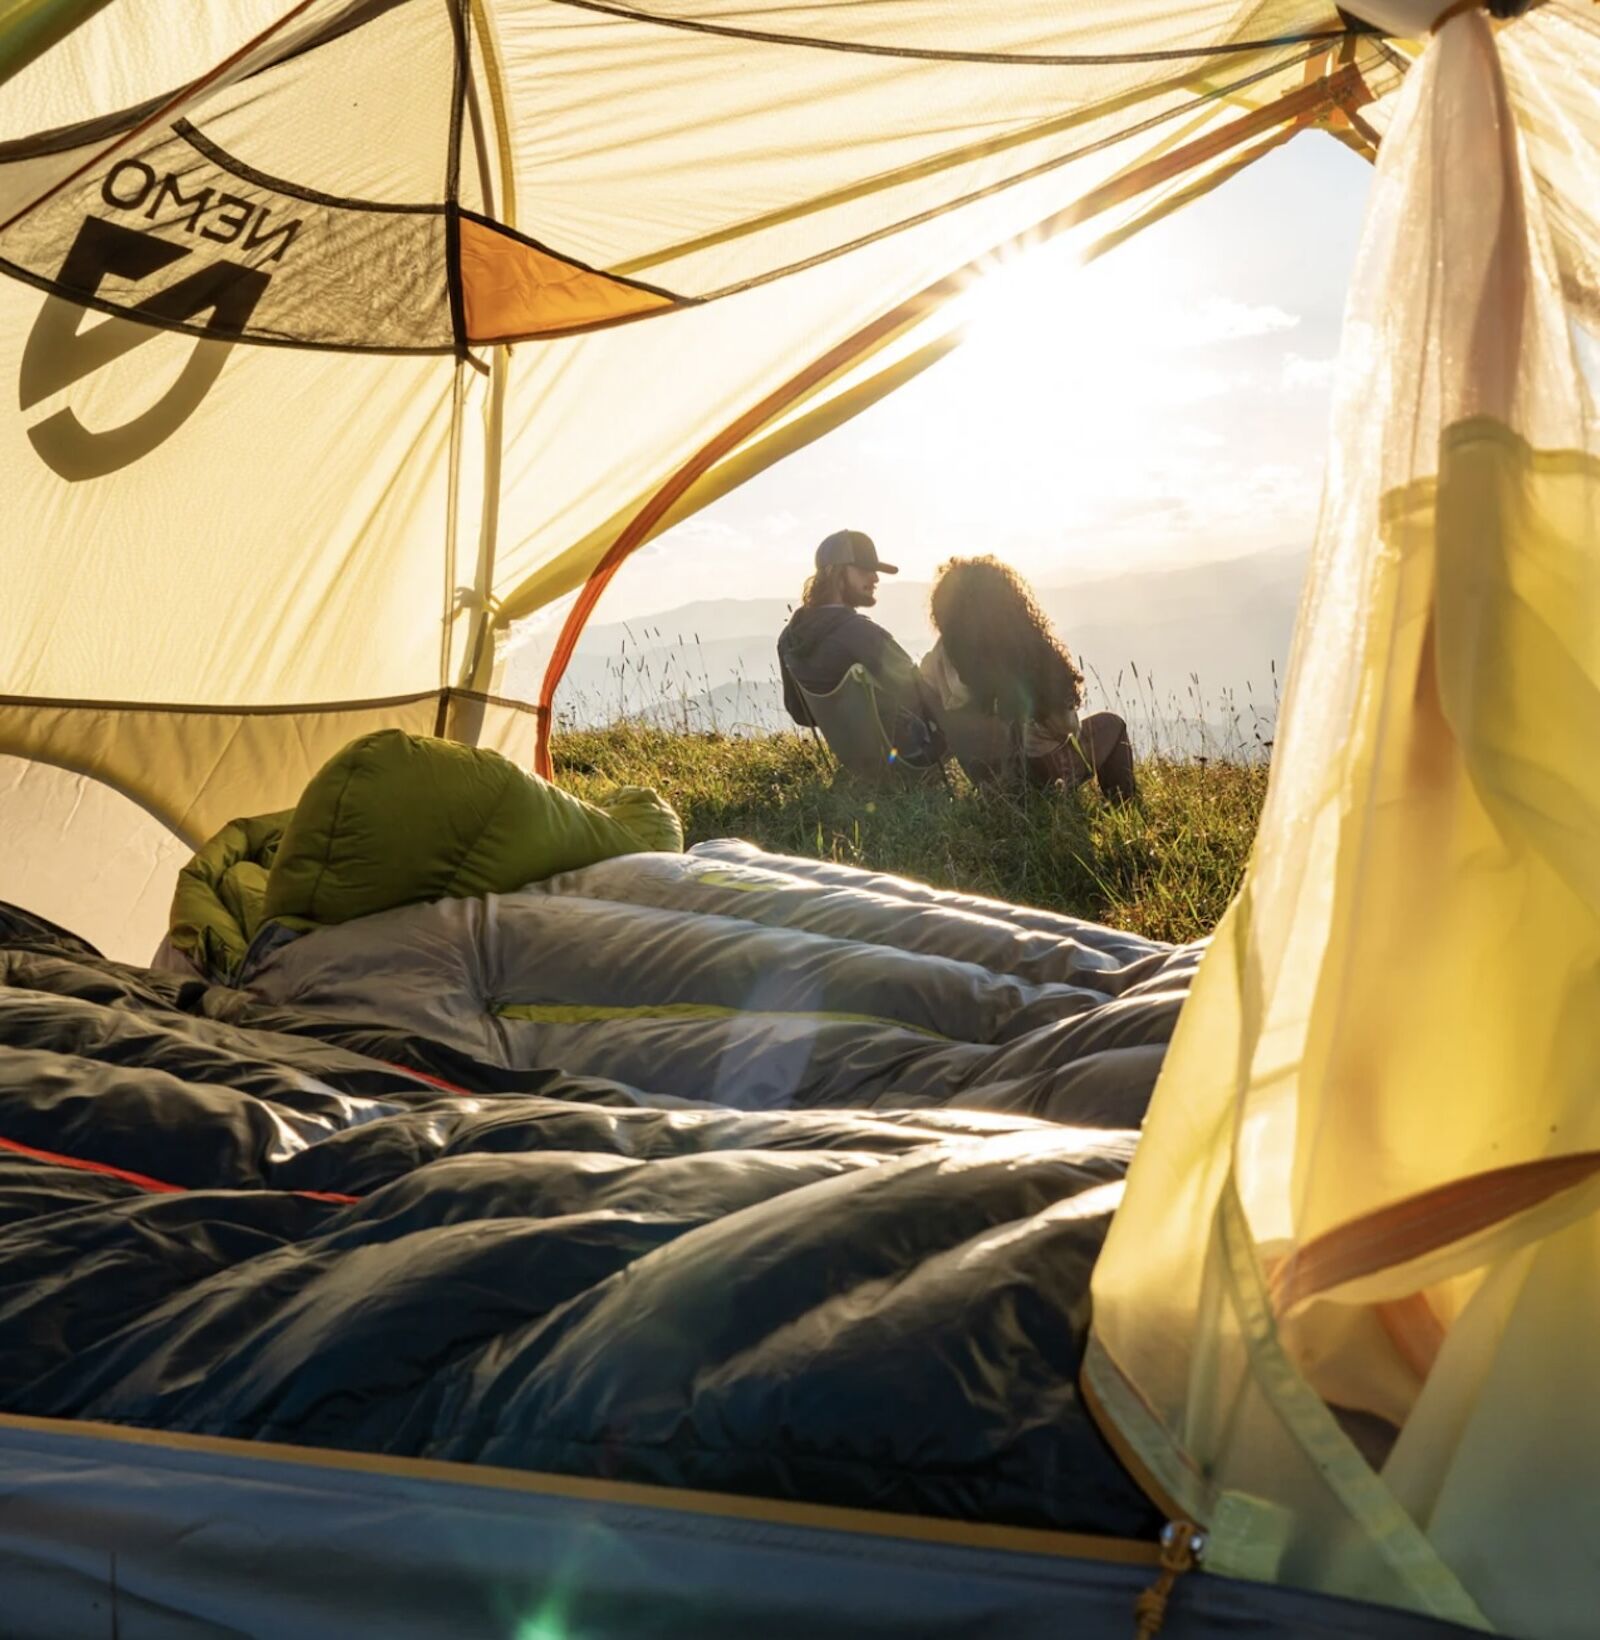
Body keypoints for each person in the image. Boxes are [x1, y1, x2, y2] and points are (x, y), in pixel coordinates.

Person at [920, 555, 1137, 801]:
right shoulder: (1026, 652)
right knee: (1112, 725)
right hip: (1041, 776)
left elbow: (926, 700)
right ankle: (1124, 808)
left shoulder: (940, 657)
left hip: (988, 782)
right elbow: (1066, 728)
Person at [778, 529, 943, 764]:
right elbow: (920, 694)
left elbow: (800, 713)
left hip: (857, 762)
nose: (875, 578)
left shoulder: (789, 638)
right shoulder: (863, 635)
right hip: (908, 759)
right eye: (865, 570)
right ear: (835, 574)